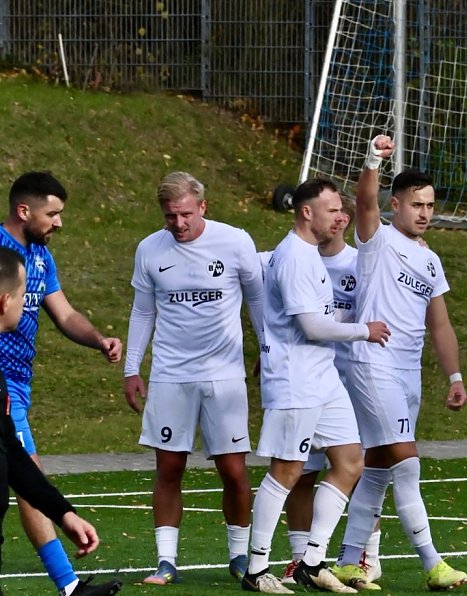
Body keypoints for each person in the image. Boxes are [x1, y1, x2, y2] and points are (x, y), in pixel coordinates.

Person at [331, 136, 467, 591]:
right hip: (373, 363)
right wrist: (374, 159)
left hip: (409, 373)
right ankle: (432, 563)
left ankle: (348, 562)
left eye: (430, 205)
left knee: (378, 469)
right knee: (406, 464)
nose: (425, 213)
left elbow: (441, 325)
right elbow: (363, 201)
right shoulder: (379, 240)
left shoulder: (430, 261)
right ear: (396, 205)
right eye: (416, 204)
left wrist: (454, 376)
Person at [242, 178, 390, 594]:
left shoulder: (308, 254)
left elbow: (319, 318)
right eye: (332, 210)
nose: (339, 217)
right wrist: (363, 330)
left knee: (351, 462)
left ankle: (311, 561)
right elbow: (310, 326)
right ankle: (256, 569)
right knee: (287, 471)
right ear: (307, 212)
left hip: (323, 379)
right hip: (295, 381)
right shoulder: (293, 257)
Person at [123, 172, 264, 585]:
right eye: (171, 216)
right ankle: (166, 561)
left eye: (185, 214)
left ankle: (239, 556)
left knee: (233, 470)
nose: (179, 223)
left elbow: (256, 297)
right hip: (171, 374)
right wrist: (132, 368)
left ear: (202, 206)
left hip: (224, 374)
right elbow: (143, 311)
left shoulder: (235, 242)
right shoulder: (150, 249)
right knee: (169, 468)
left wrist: (268, 349)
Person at [0, 172, 123, 596]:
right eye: (52, 213)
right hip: (3, 385)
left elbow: (65, 314)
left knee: (19, 472)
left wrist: (99, 339)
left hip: (18, 383)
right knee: (26, 473)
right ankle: (69, 586)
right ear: (24, 211)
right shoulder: (1, 254)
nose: (59, 222)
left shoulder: (41, 257)